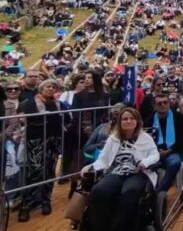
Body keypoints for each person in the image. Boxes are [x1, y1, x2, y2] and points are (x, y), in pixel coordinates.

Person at [80, 108, 160, 231]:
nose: (128, 121)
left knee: (129, 192)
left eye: (132, 118)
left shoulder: (145, 138)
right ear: (120, 122)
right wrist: (91, 167)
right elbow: (103, 159)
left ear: (137, 121)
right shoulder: (113, 138)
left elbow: (155, 155)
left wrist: (145, 162)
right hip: (116, 171)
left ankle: (119, 227)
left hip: (137, 172)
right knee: (99, 190)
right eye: (125, 119)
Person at [17, 79, 68, 222]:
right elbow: (25, 120)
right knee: (34, 172)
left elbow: (68, 120)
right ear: (41, 89)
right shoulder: (29, 103)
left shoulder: (59, 104)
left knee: (49, 172)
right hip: (35, 142)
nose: (51, 88)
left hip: (53, 142)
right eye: (48, 86)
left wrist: (61, 130)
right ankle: (26, 205)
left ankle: (46, 201)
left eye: (53, 87)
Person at [147, 93, 183, 192]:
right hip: (153, 153)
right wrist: (156, 151)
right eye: (159, 103)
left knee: (174, 163)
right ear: (154, 106)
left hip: (172, 152)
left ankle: (159, 192)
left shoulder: (178, 117)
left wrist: (168, 151)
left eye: (165, 102)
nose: (163, 105)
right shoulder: (149, 120)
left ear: (169, 104)